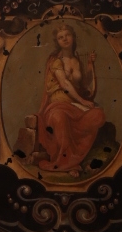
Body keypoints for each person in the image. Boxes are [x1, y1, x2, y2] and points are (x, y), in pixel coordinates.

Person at [36, 23, 106, 178]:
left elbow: (84, 84)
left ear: (73, 37)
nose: (65, 39)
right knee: (59, 117)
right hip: (57, 106)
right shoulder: (55, 61)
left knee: (98, 115)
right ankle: (68, 163)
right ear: (57, 42)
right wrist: (82, 101)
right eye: (60, 37)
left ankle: (77, 156)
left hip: (75, 106)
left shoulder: (76, 61)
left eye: (67, 35)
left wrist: (90, 65)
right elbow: (65, 84)